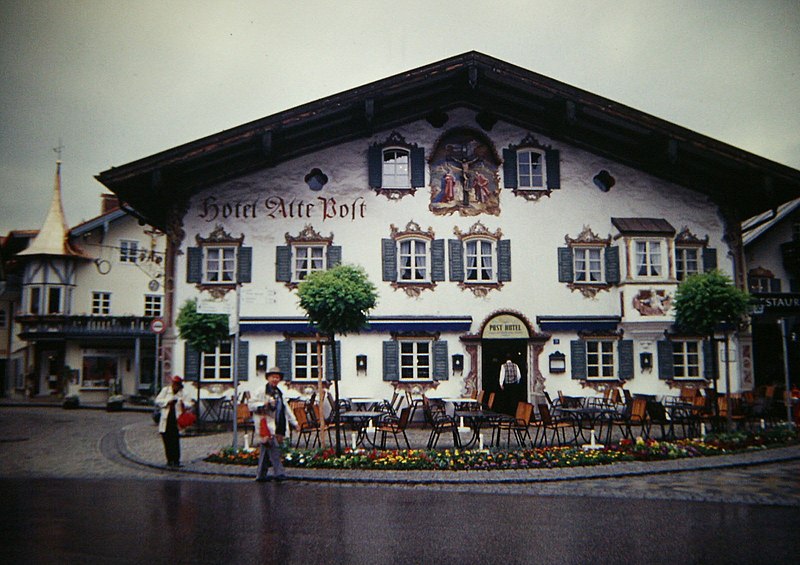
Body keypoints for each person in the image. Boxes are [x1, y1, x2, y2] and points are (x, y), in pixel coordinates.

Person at [249, 367, 298, 482]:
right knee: (274, 448)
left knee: (266, 450)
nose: (275, 379)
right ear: (268, 378)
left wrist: (294, 422)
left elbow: (286, 408)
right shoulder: (261, 391)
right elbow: (251, 405)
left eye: (277, 377)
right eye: (273, 377)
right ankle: (279, 473)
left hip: (276, 425)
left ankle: (261, 475)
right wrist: (264, 404)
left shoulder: (278, 392)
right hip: (265, 424)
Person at [155, 375, 194, 468]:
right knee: (166, 440)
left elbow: (190, 403)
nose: (175, 387)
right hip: (166, 418)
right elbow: (157, 401)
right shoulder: (165, 390)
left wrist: (182, 403)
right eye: (174, 385)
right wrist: (167, 402)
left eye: (177, 385)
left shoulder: (184, 392)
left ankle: (176, 460)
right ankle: (169, 460)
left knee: (175, 440)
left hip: (176, 419)